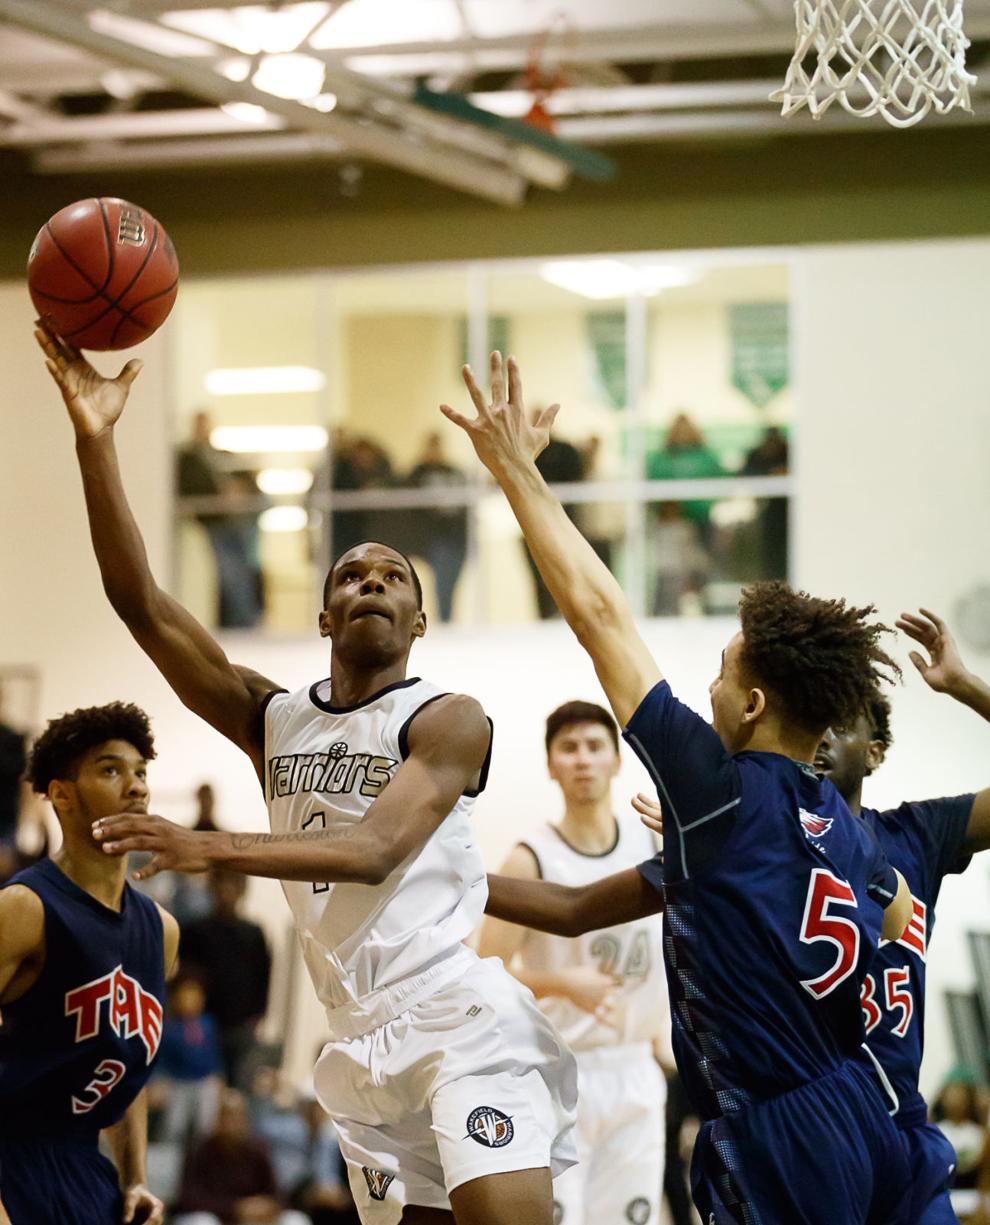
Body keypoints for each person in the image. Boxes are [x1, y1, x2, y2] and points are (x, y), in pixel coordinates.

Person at [36, 325, 577, 1225]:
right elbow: (138, 599)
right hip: (358, 1044)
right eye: (352, 574)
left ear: (420, 617)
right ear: (326, 613)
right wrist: (97, 439)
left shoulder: (447, 716)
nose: (372, 580)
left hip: (457, 1018)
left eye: (393, 575)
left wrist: (200, 843)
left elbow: (372, 848)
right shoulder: (273, 715)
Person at [439, 351, 914, 1225]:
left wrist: (515, 471)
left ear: (758, 703)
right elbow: (580, 910)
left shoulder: (724, 795)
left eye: (726, 671)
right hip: (862, 1109)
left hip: (779, 1129)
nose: (710, 687)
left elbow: (600, 613)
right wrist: (435, 870)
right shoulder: (842, 828)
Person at [811, 608, 990, 1225]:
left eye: (841, 722)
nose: (821, 735)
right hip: (809, 1127)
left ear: (876, 752)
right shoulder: (762, 837)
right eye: (811, 720)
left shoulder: (916, 835)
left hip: (900, 1123)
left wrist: (966, 685)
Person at [477, 700, 667, 1225]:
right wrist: (556, 981)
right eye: (569, 748)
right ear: (550, 765)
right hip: (558, 1072)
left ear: (615, 759)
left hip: (634, 1066)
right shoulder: (530, 858)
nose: (582, 759)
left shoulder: (653, 842)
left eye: (593, 746)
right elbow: (480, 974)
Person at [0, 701, 179, 1225]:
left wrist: (136, 1178)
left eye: (141, 772)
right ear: (61, 794)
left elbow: (126, 1067)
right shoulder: (24, 907)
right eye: (111, 769)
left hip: (84, 1168)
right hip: (12, 1159)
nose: (137, 786)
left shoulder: (161, 931)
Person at [181, 868, 272, 1091]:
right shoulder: (195, 931)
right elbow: (187, 979)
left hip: (241, 1026)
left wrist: (257, 1016)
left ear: (242, 890)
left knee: (238, 1090)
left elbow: (263, 977)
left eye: (233, 884)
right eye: (221, 883)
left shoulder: (253, 933)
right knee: (203, 1089)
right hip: (203, 1026)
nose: (226, 891)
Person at [171, 1087, 309, 1225]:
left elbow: (277, 1195)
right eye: (226, 1115)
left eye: (237, 1116)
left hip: (253, 1218)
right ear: (216, 1118)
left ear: (245, 1120)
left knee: (295, 1220)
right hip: (216, 1217)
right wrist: (236, 1208)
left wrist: (264, 1206)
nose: (231, 1123)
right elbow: (187, 1199)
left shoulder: (258, 1149)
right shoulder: (199, 1148)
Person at [153, 969, 223, 1144]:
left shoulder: (207, 1025)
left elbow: (213, 1054)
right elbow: (160, 1058)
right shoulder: (170, 1028)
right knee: (174, 1126)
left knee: (205, 1126)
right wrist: (158, 1081)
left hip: (205, 1081)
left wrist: (219, 1076)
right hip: (178, 1082)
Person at [405, 433, 468, 623]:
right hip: (436, 538)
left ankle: (447, 620)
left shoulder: (454, 471)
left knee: (451, 583)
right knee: (442, 584)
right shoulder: (418, 473)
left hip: (456, 537)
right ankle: (444, 620)